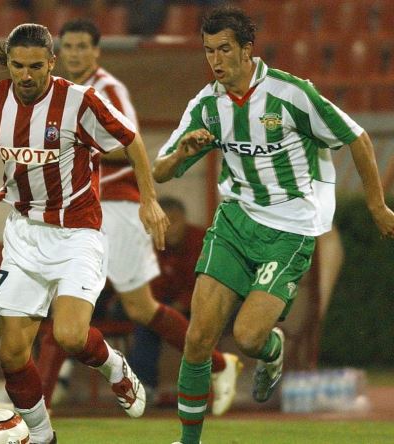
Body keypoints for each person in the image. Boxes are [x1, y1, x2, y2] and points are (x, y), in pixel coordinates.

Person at [153, 6, 394, 443]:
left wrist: (377, 207)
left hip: (289, 229)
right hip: (235, 221)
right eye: (209, 51)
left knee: (247, 337)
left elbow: (357, 137)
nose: (216, 60)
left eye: (224, 49)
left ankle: (271, 347)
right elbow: (160, 171)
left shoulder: (291, 94)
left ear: (247, 50)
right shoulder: (206, 105)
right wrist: (182, 153)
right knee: (198, 337)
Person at [0, 23, 169, 444]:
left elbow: (131, 141)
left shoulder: (78, 101)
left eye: (35, 67)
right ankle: (42, 436)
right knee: (11, 354)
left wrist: (149, 200)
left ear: (51, 63)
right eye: (17, 66)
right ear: (8, 63)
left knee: (70, 336)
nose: (25, 75)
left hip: (77, 232)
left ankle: (114, 367)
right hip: (24, 234)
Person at [35, 18, 241, 416]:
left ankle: (219, 364)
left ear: (96, 51)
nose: (75, 53)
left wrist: (80, 145)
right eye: (69, 46)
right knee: (93, 306)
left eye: (83, 46)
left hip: (116, 206)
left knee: (120, 306)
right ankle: (36, 406)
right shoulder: (59, 94)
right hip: (86, 208)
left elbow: (129, 142)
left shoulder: (107, 89)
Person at [128, 196, 242, 415]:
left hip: (204, 305)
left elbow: (216, 281)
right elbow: (152, 287)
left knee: (207, 324)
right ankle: (144, 388)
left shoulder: (203, 240)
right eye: (165, 222)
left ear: (185, 219)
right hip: (168, 307)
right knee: (145, 322)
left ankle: (208, 391)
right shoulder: (150, 246)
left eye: (175, 221)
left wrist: (183, 302)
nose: (170, 228)